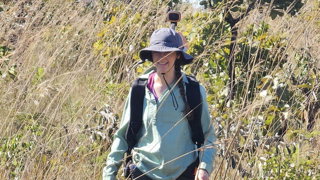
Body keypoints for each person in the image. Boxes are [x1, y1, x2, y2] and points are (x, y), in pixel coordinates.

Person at [103, 28, 216, 180]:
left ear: (178, 55)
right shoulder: (139, 90)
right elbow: (122, 136)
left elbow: (208, 136)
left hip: (183, 173)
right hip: (142, 172)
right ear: (151, 55)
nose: (162, 57)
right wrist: (109, 174)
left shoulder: (193, 90)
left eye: (168, 52)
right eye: (157, 52)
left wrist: (204, 168)